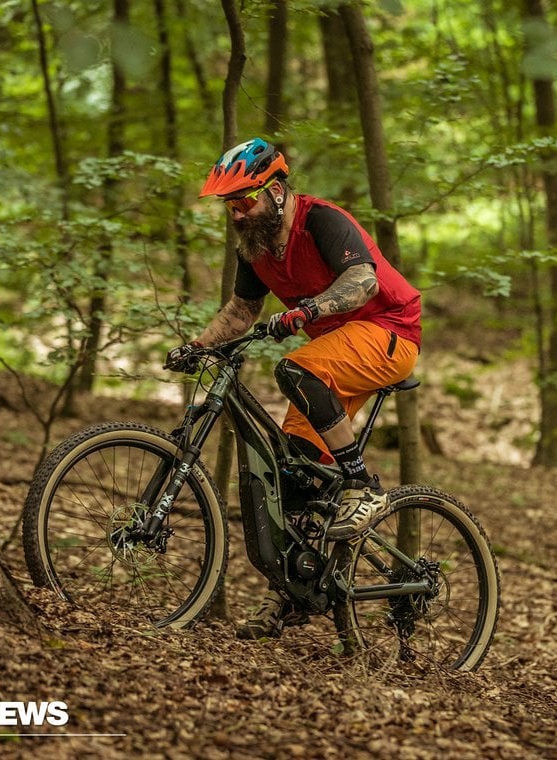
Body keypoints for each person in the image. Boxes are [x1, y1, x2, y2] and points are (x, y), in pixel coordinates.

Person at [166, 137, 421, 639]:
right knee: (295, 474)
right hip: (334, 356)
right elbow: (241, 312)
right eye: (228, 205)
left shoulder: (322, 221)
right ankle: (294, 594)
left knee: (295, 369)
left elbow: (363, 283)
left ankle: (360, 486)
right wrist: (196, 346)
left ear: (276, 191)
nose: (236, 215)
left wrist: (308, 311)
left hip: (389, 332)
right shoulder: (256, 248)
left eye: (244, 201)